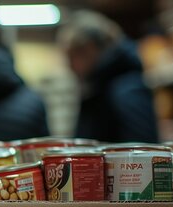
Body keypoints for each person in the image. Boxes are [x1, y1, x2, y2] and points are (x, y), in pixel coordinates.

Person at [58, 11, 159, 143]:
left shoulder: (125, 89)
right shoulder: (100, 86)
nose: (69, 66)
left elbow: (142, 151)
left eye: (71, 57)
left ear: (90, 49)